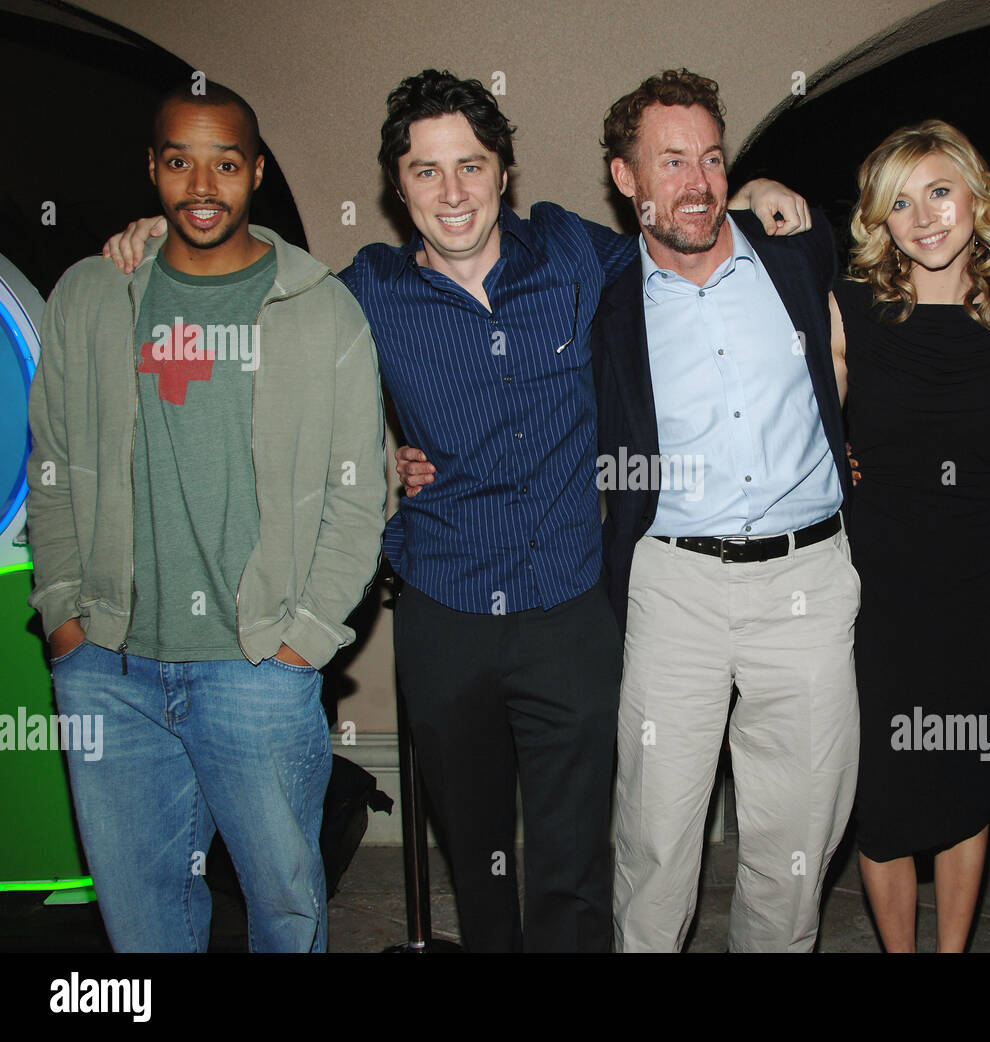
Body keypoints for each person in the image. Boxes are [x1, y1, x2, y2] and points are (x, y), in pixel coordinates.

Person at [93, 69, 809, 952]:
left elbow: (685, 227)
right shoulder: (366, 292)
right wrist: (161, 232)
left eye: (470, 166)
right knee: (478, 866)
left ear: (504, 172)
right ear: (398, 188)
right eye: (426, 172)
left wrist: (747, 194)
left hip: (572, 610)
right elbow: (244, 272)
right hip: (444, 610)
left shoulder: (574, 254)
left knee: (574, 865)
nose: (452, 192)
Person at [27, 81, 387, 952]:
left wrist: (301, 637)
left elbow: (358, 492)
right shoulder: (91, 296)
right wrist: (67, 614)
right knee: (143, 923)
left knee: (286, 910)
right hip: (109, 670)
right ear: (151, 169)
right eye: (180, 161)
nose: (202, 185)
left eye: (225, 163)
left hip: (256, 668)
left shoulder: (320, 308)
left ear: (255, 172)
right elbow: (54, 466)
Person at [590, 69, 859, 953]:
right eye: (670, 162)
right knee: (656, 838)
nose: (697, 182)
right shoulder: (602, 293)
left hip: (808, 580)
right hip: (675, 583)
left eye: (712, 158)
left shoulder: (794, 247)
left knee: (795, 844)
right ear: (626, 179)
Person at [831, 120, 990, 952]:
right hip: (878, 585)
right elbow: (786, 420)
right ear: (879, 220)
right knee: (883, 794)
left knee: (967, 780)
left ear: (975, 200)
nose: (924, 218)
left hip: (981, 583)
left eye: (940, 192)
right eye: (901, 203)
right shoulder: (849, 309)